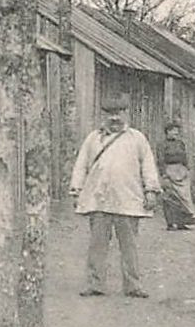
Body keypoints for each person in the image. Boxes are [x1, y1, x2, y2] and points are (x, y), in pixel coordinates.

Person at [69, 97, 161, 298]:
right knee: (97, 245)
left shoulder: (137, 139)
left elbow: (148, 166)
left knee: (129, 246)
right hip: (99, 199)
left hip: (128, 200)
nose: (114, 118)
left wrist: (151, 190)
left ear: (126, 114)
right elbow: (81, 165)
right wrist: (76, 190)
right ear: (103, 116)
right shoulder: (93, 139)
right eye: (110, 114)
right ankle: (96, 283)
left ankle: (133, 285)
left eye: (119, 113)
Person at [157, 121, 195, 232]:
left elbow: (184, 157)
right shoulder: (162, 145)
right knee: (170, 197)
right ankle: (170, 223)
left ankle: (182, 222)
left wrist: (187, 168)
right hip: (169, 171)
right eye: (173, 131)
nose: (176, 133)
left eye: (177, 131)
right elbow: (160, 159)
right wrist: (163, 173)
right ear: (168, 132)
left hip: (181, 171)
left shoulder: (180, 143)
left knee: (184, 197)